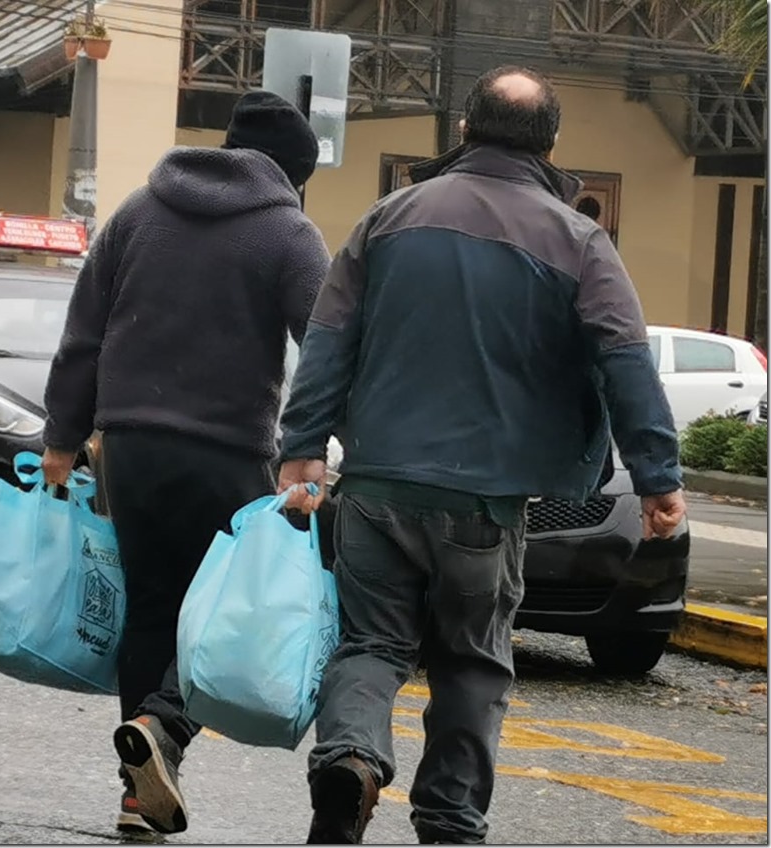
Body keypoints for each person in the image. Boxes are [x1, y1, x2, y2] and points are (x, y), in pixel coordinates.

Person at [276, 65, 687, 845]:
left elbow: (329, 341)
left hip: (377, 484)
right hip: (486, 501)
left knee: (369, 645)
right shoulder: (578, 239)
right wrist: (659, 477)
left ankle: (351, 759)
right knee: (471, 661)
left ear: (463, 129)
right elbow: (624, 359)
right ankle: (451, 823)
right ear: (553, 143)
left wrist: (302, 445)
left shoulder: (387, 218)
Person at [40, 90, 331, 835]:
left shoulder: (139, 211)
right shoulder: (290, 234)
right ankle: (163, 732)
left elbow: (85, 332)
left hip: (128, 449)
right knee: (219, 618)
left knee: (150, 607)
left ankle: (138, 791)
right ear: (296, 173)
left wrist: (62, 438)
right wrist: (311, 445)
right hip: (227, 454)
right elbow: (327, 347)